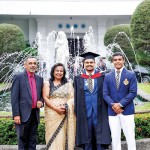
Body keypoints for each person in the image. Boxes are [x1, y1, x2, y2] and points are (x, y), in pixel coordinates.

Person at [74, 51, 111, 150]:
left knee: (100, 136)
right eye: (87, 62)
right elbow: (75, 96)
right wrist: (77, 111)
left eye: (91, 62)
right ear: (83, 64)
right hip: (85, 111)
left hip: (99, 110)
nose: (89, 64)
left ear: (94, 63)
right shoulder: (78, 79)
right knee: (87, 135)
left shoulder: (102, 77)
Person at [103, 52, 137, 150]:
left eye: (119, 59)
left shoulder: (131, 75)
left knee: (130, 136)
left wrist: (121, 104)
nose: (117, 61)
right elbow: (105, 94)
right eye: (115, 60)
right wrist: (114, 105)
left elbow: (133, 92)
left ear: (123, 60)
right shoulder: (108, 76)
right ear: (112, 61)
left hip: (127, 111)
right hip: (112, 112)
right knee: (115, 137)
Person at [11, 56, 43, 150]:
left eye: (34, 63)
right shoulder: (18, 77)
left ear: (37, 65)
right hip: (22, 114)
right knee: (22, 140)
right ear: (25, 65)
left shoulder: (39, 79)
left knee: (32, 141)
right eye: (30, 63)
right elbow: (14, 98)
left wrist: (41, 101)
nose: (32, 65)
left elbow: (41, 96)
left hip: (34, 114)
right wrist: (16, 114)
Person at [42, 63, 75, 150]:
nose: (59, 73)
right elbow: (45, 97)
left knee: (63, 134)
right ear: (53, 72)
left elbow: (72, 97)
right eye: (57, 71)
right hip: (52, 113)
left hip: (65, 111)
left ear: (64, 73)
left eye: (61, 71)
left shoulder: (68, 83)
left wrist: (66, 106)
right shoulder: (47, 82)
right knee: (52, 134)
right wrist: (55, 108)